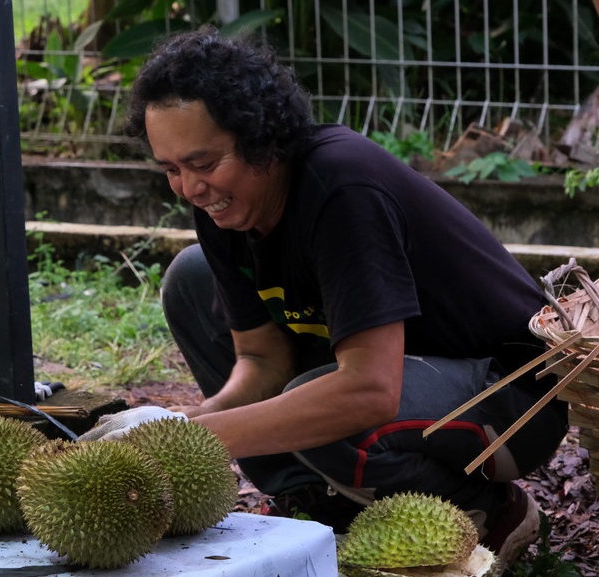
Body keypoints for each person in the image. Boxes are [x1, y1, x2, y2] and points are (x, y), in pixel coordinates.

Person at [78, 28, 568, 570]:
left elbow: (369, 392)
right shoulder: (221, 207)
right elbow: (262, 360)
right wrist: (181, 422)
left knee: (336, 407)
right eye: (171, 169)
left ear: (261, 138)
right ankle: (310, 499)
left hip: (514, 400)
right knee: (191, 280)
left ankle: (486, 511)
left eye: (204, 164)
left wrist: (194, 437)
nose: (190, 188)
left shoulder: (341, 189)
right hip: (406, 385)